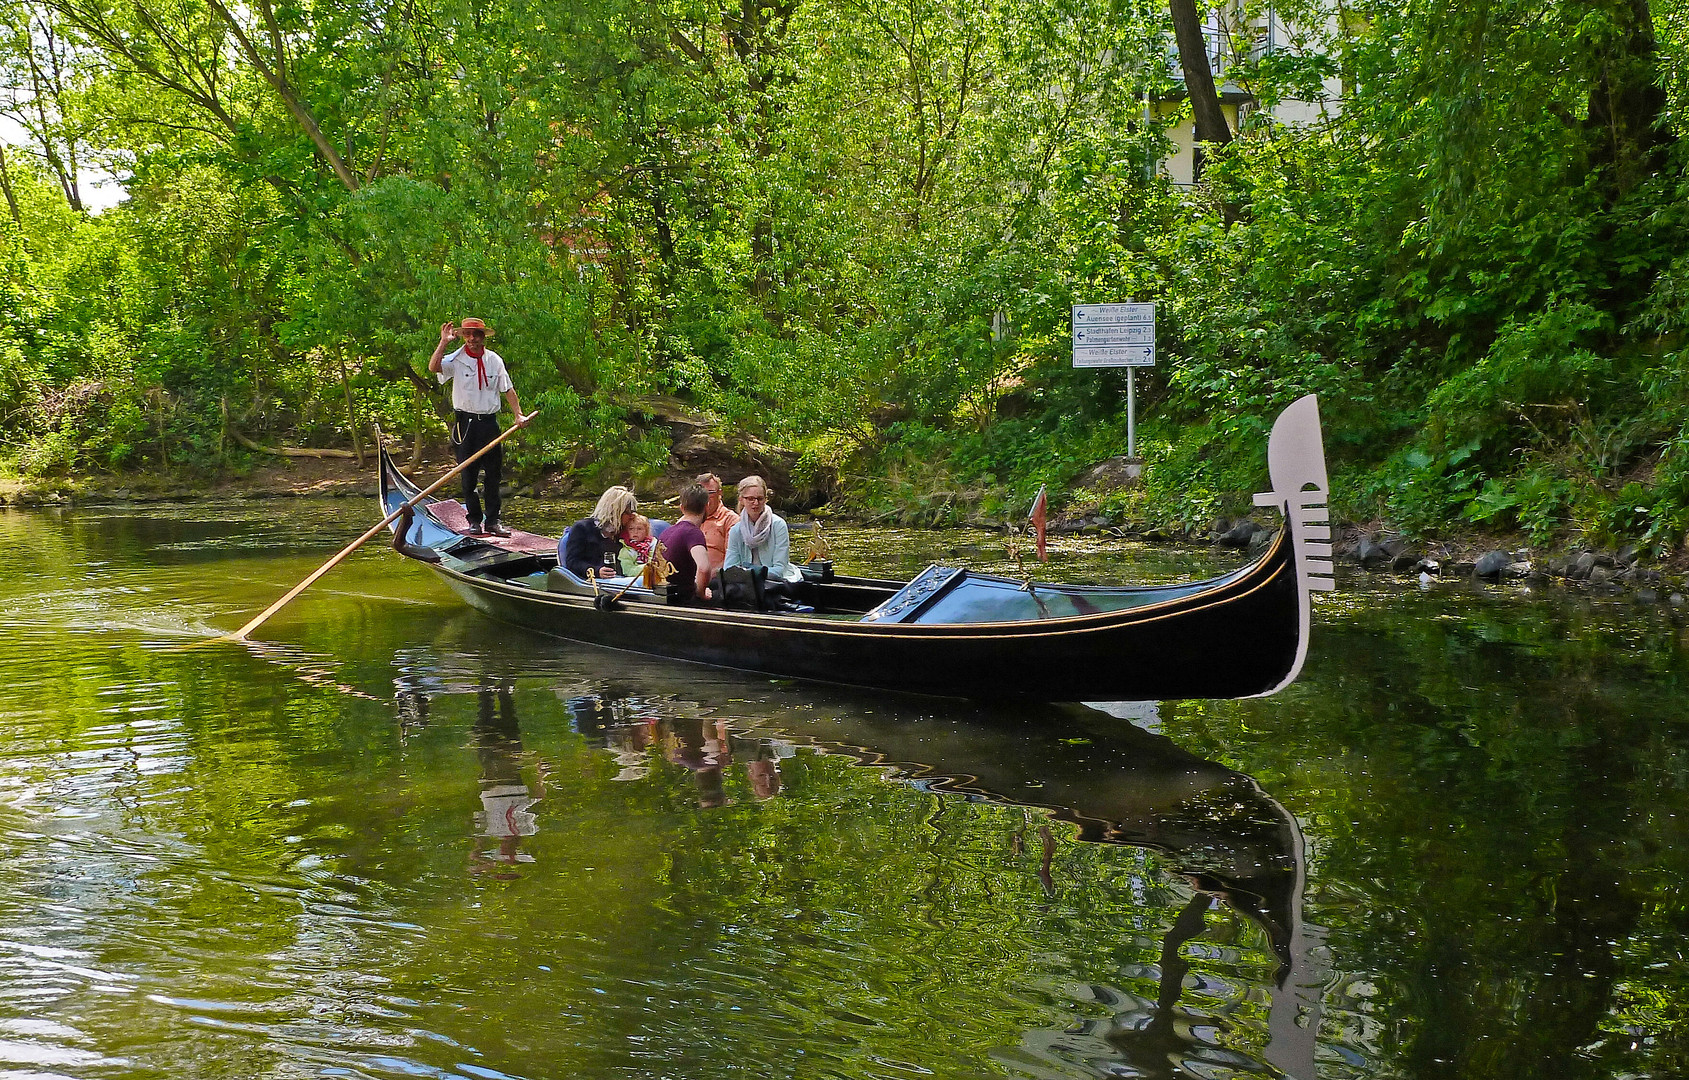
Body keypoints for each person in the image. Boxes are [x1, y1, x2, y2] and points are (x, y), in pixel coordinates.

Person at [429, 318, 528, 537]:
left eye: (476, 334)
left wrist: (518, 414)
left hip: (489, 423)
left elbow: (508, 389)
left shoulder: (494, 360)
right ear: (463, 336)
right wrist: (443, 342)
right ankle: (474, 520)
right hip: (466, 424)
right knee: (468, 475)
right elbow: (434, 367)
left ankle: (493, 522)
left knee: (493, 474)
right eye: (468, 335)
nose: (472, 339)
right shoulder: (456, 359)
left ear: (483, 337)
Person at [722, 475, 804, 590]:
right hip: (748, 583)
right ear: (741, 499)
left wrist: (749, 572)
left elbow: (779, 569)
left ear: (766, 499)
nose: (755, 503)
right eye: (750, 499)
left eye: (760, 499)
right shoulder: (736, 530)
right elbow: (729, 568)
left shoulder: (778, 525)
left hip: (776, 582)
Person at [562, 486, 638, 579]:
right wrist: (596, 571)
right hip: (596, 583)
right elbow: (573, 562)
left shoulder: (628, 531)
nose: (631, 516)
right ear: (615, 512)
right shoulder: (582, 528)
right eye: (628, 512)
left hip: (625, 579)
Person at [660, 484, 713, 603]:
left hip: (663, 596)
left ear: (682, 508)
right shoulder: (693, 533)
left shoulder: (667, 532)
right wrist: (701, 593)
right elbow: (704, 568)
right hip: (683, 599)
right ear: (707, 507)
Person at [695, 472, 739, 574]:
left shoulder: (730, 520)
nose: (705, 498)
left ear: (720, 493)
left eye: (710, 493)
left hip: (716, 579)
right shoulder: (691, 518)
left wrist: (706, 577)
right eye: (702, 493)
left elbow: (732, 560)